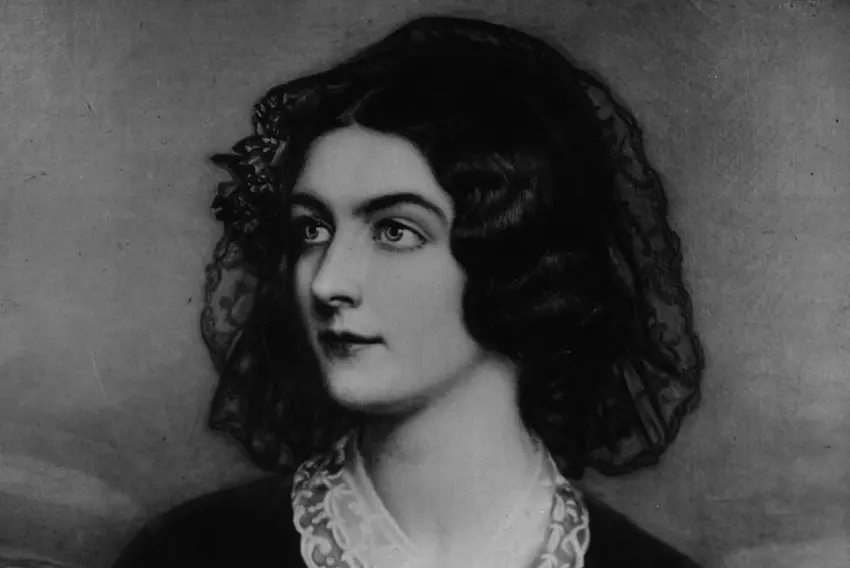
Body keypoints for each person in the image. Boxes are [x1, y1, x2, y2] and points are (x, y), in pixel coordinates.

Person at [112, 14, 705, 568]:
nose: (328, 282)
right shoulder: (189, 554)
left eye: (394, 231)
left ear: (516, 258)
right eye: (312, 230)